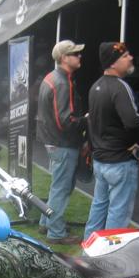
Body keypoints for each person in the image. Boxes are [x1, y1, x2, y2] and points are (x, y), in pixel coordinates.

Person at [83, 42, 139, 239]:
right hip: (119, 161)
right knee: (118, 213)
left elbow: (92, 121)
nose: (131, 58)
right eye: (125, 56)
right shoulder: (120, 87)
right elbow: (133, 121)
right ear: (113, 63)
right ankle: (111, 255)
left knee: (99, 206)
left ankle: (89, 248)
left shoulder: (95, 86)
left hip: (101, 160)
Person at [36, 40, 87, 245]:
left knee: (57, 186)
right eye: (75, 53)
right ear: (64, 58)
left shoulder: (52, 77)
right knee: (61, 188)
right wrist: (86, 120)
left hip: (54, 142)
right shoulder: (62, 82)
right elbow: (65, 121)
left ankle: (46, 223)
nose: (79, 56)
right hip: (63, 143)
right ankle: (56, 232)